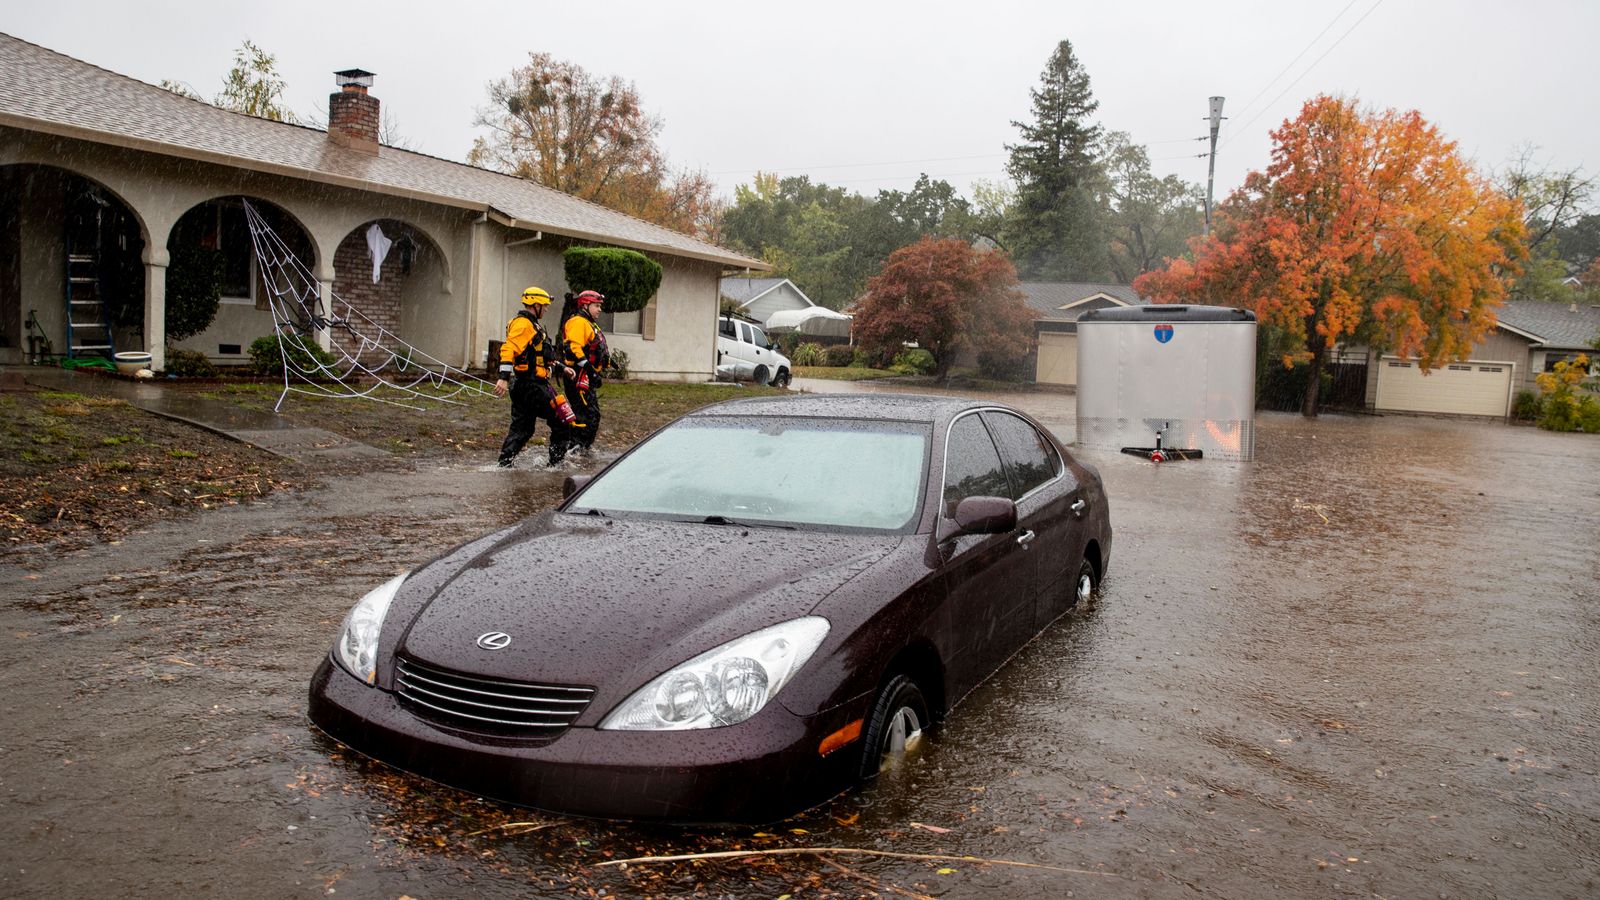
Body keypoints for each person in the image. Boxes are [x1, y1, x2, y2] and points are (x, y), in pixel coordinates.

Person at [494, 286, 575, 468]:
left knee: (522, 429)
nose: (546, 309)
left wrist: (562, 368)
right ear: (535, 304)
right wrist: (503, 377)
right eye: (544, 306)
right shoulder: (523, 324)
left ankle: (504, 465)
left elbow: (541, 356)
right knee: (563, 421)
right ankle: (556, 466)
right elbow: (508, 349)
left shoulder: (531, 324)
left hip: (524, 386)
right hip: (533, 386)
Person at [558, 289, 609, 456]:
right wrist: (591, 371)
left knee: (590, 414)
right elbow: (573, 349)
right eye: (596, 306)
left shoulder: (588, 323)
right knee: (587, 415)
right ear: (585, 305)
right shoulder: (578, 322)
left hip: (584, 376)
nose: (599, 309)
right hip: (577, 376)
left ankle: (581, 448)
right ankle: (574, 449)